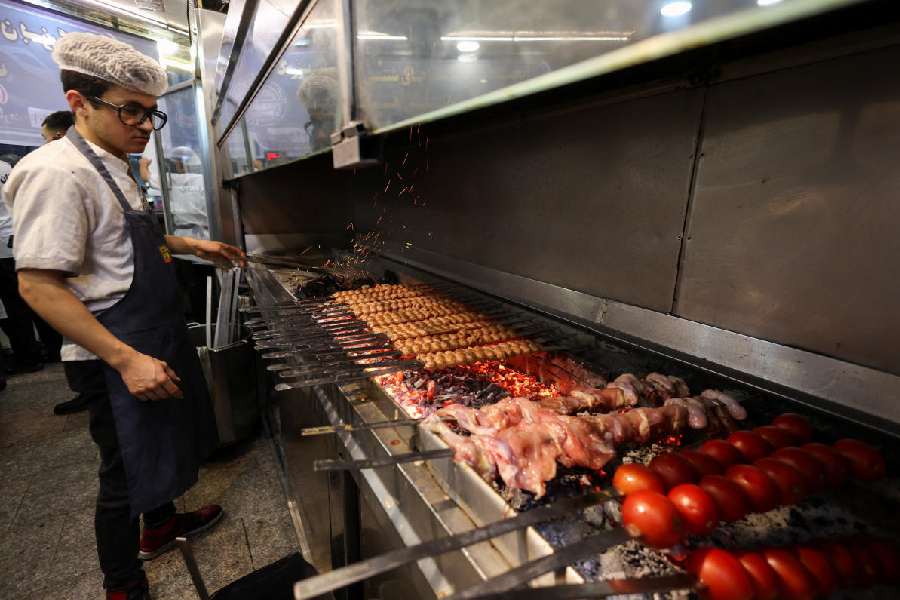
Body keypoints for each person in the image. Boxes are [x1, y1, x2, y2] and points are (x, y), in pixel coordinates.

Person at [5, 33, 246, 600]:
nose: (143, 124)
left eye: (149, 112)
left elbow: (115, 242)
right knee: (123, 471)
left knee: (157, 447)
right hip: (109, 352)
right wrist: (126, 360)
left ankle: (160, 526)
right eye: (129, 109)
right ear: (79, 102)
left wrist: (191, 245)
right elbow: (38, 285)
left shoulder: (113, 163)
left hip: (145, 337)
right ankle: (122, 583)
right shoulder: (56, 173)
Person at [0, 153, 45, 374]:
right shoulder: (7, 167)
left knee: (13, 309)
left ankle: (27, 356)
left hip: (2, 245)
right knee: (24, 303)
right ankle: (38, 352)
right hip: (16, 239)